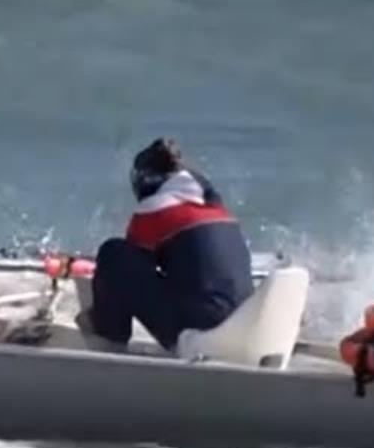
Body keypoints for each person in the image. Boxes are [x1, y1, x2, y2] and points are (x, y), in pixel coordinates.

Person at [79, 138, 255, 350]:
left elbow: (123, 274)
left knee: (114, 254)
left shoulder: (156, 207)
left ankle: (108, 341)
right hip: (245, 327)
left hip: (201, 334)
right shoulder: (219, 212)